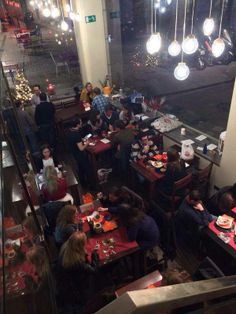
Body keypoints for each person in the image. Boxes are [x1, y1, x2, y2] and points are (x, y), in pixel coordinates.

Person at [56, 231, 95, 314]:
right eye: (84, 243)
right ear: (80, 246)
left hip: (66, 285)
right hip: (78, 289)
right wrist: (95, 256)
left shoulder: (65, 247)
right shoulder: (77, 262)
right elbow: (93, 270)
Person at [67, 118, 92, 188]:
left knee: (80, 168)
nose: (81, 123)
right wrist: (87, 143)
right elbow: (81, 148)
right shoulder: (76, 134)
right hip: (80, 154)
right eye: (80, 122)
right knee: (87, 169)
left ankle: (83, 184)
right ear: (77, 124)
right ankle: (91, 185)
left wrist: (81, 140)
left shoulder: (69, 131)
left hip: (74, 153)